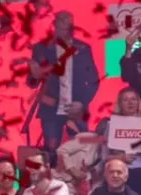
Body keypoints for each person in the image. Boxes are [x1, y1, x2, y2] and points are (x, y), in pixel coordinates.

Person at [28, 11, 99, 154]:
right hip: (51, 108)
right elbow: (32, 82)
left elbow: (94, 80)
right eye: (62, 22)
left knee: (81, 149)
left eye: (69, 24)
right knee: (51, 150)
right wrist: (35, 75)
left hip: (76, 109)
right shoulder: (41, 48)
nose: (66, 26)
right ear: (54, 24)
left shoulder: (83, 49)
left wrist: (82, 104)